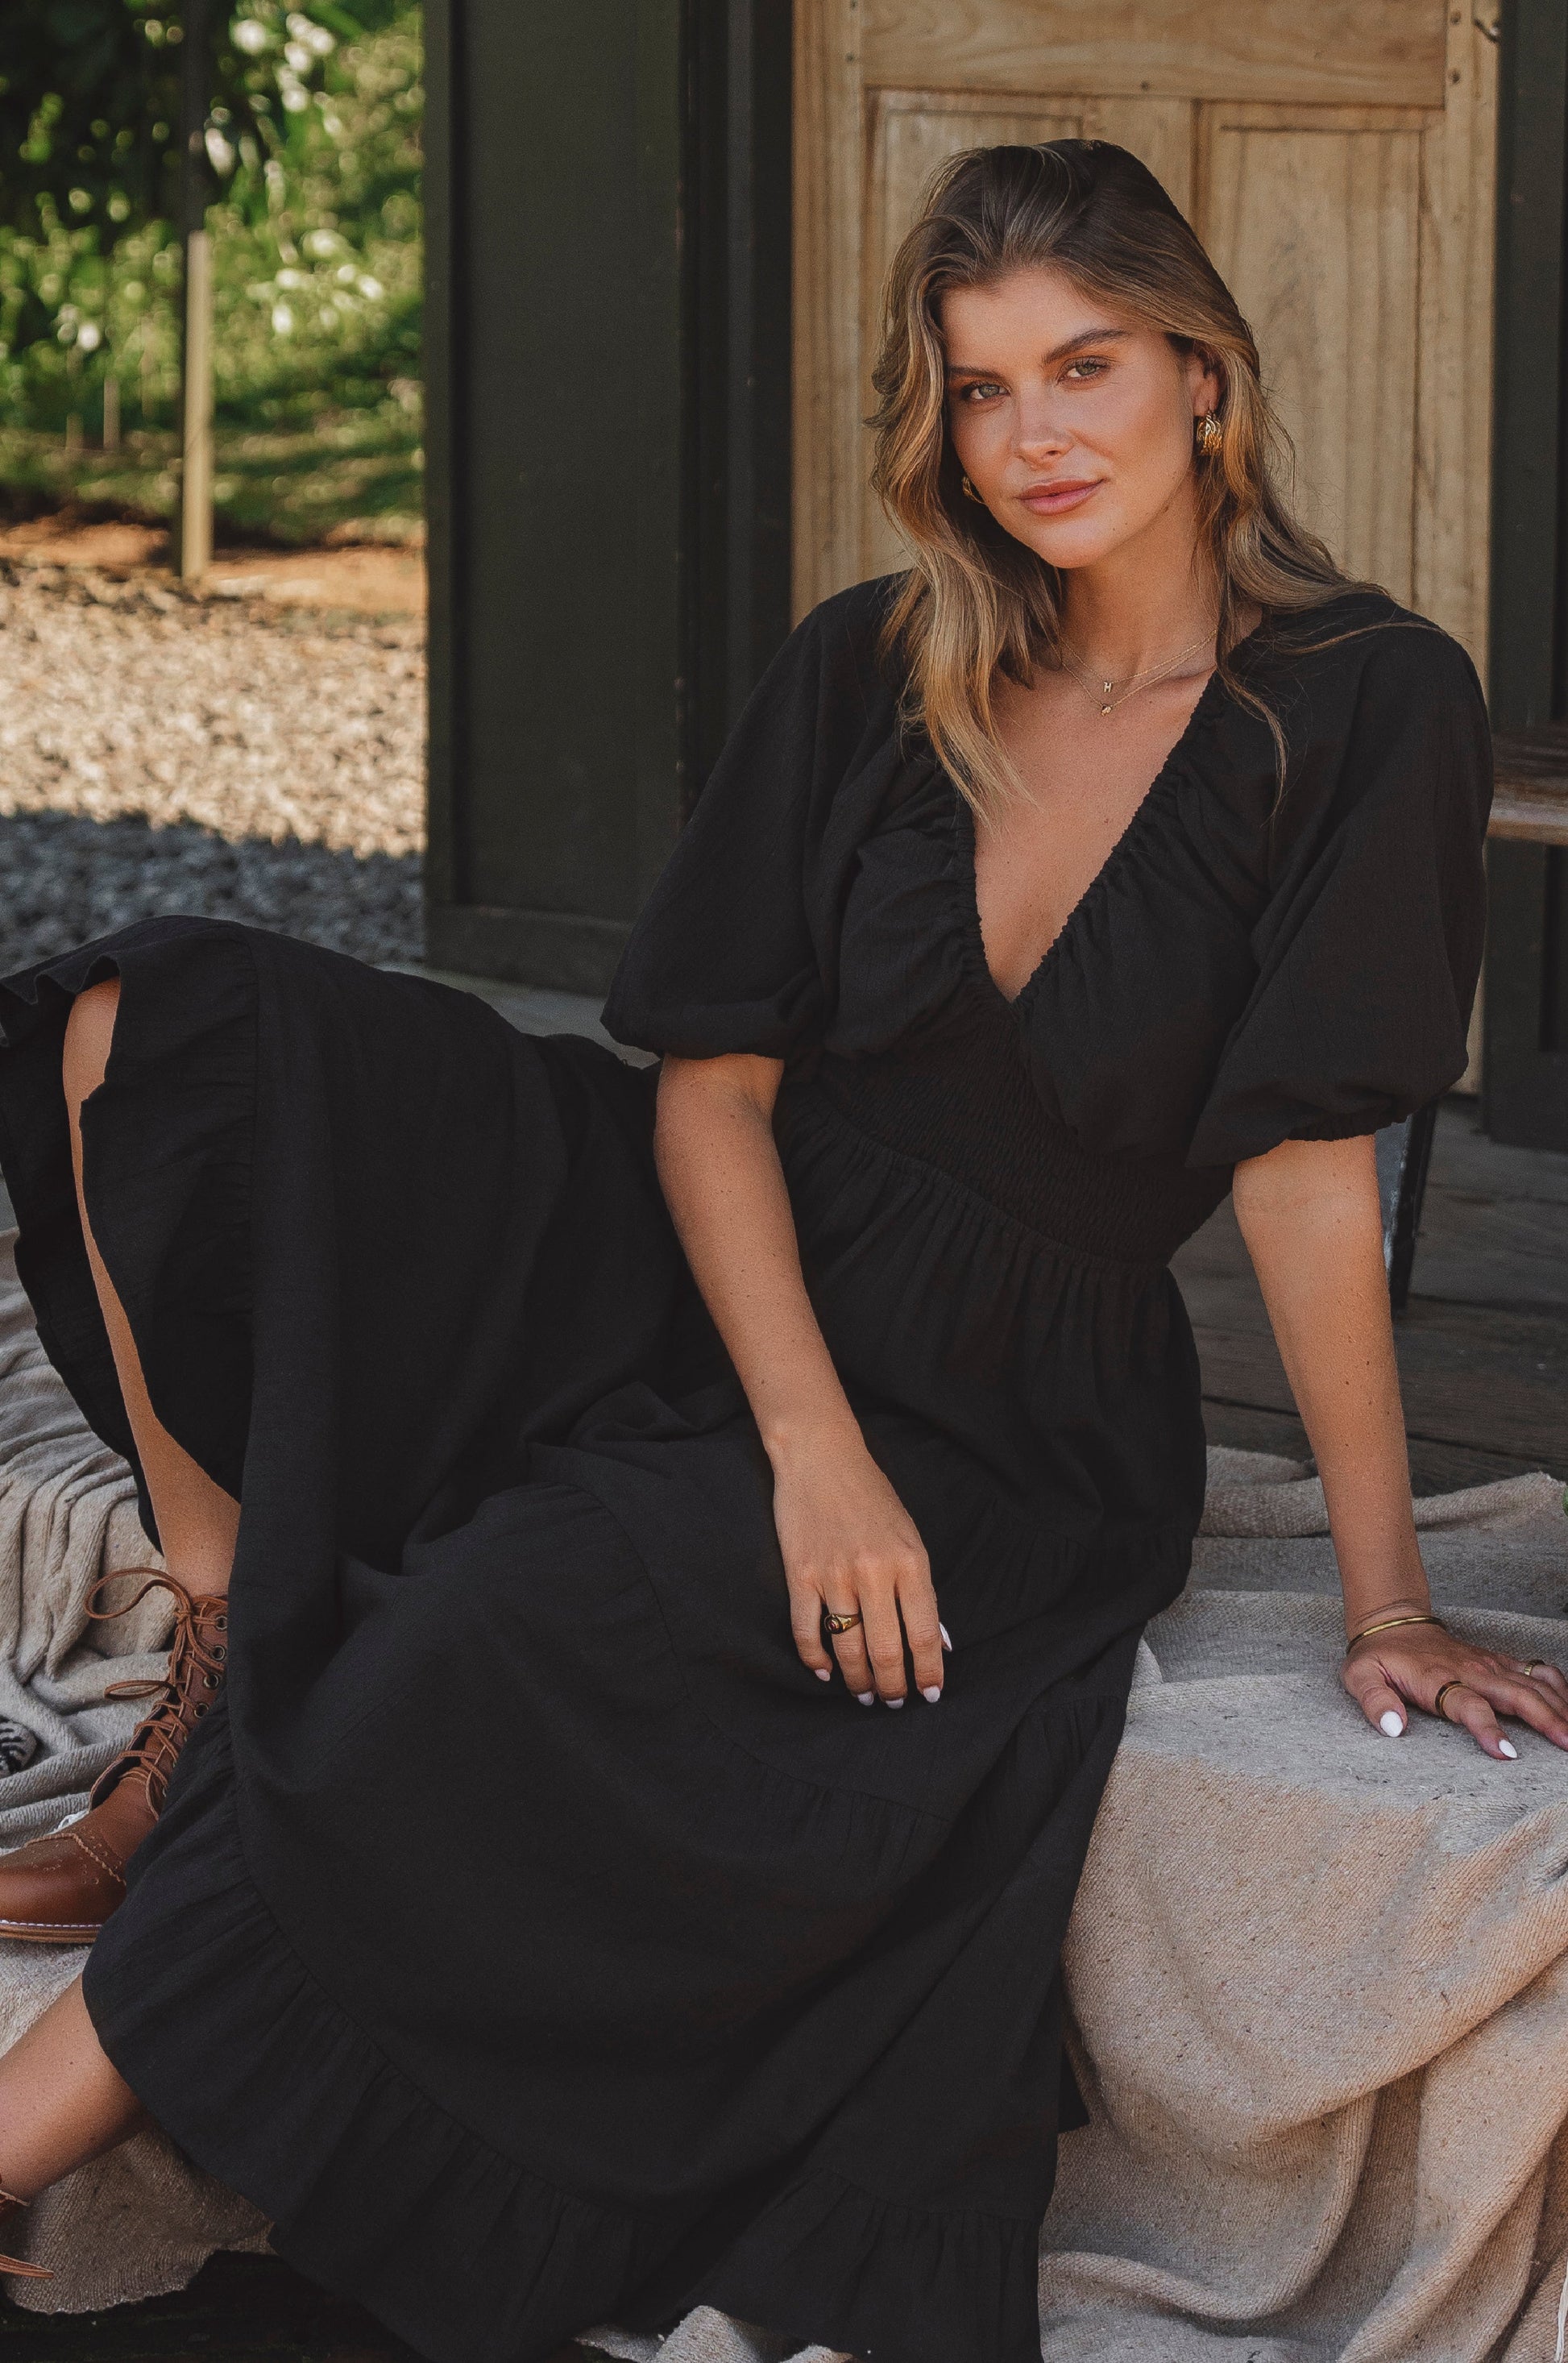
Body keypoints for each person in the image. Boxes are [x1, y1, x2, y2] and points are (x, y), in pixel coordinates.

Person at [0, 138, 1550, 2363]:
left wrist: (1388, 1595)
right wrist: (802, 1442)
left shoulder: (1361, 705)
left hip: (999, 1393)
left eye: (1085, 364)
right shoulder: (879, 660)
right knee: (146, 1024)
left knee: (502, 1614)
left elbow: (1312, 1178)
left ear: (1202, 371)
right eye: (982, 384)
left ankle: (15, 2136)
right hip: (697, 1242)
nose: (1035, 435)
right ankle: (232, 1618)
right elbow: (709, 1089)